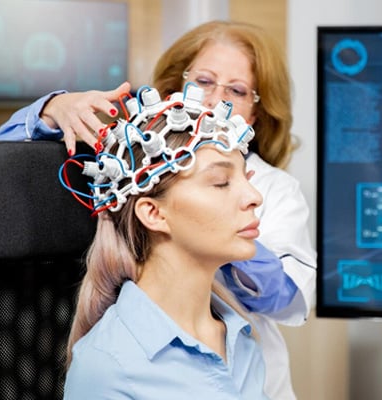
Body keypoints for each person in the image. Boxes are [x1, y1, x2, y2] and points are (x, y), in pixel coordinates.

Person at [0, 20, 316, 400]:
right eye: (204, 81)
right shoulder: (136, 160)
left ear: (255, 115)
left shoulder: (243, 345)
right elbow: (1, 172)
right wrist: (52, 108)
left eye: (238, 90)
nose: (215, 100)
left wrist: (222, 229)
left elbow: (289, 299)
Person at [61, 87, 267, 398]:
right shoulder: (108, 368)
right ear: (154, 213)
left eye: (246, 178)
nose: (255, 197)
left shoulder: (241, 338)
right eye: (221, 182)